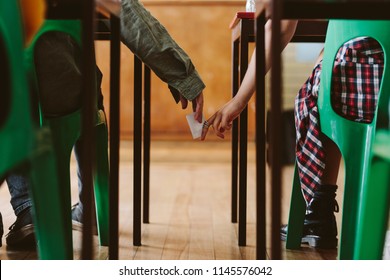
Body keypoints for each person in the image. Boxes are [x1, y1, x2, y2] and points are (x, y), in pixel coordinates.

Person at [1, 0, 205, 248]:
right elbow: (125, 8)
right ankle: (80, 209)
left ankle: (30, 208)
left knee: (14, 87)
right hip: (66, 89)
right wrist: (182, 75)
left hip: (13, 101)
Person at [201, 19, 385, 249]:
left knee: (321, 89)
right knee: (327, 55)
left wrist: (240, 99)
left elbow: (280, 27)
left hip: (361, 85)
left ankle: (319, 210)